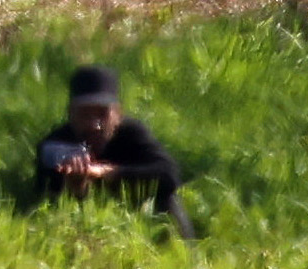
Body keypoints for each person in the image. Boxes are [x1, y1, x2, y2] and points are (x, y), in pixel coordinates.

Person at [25, 66, 189, 230]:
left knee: (168, 198)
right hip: (89, 226)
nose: (94, 125)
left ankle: (185, 251)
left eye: (102, 114)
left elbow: (168, 174)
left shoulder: (131, 134)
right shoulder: (55, 145)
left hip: (136, 212)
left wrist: (110, 173)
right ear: (70, 114)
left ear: (118, 114)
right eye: (84, 114)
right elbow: (44, 199)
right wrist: (77, 187)